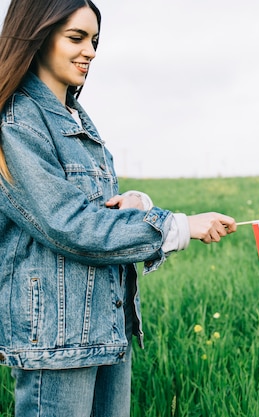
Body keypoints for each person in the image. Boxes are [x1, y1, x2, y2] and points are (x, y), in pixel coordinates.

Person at [0, 0, 237, 416]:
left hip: (107, 328)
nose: (90, 51)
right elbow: (67, 225)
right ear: (37, 36)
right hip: (57, 341)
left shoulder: (78, 119)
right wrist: (176, 226)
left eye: (94, 40)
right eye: (76, 38)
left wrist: (135, 203)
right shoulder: (17, 122)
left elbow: (92, 209)